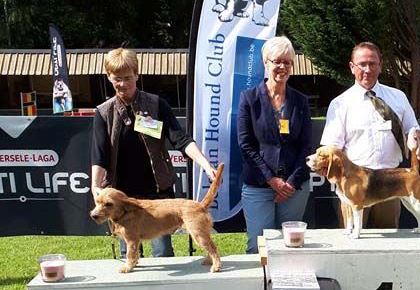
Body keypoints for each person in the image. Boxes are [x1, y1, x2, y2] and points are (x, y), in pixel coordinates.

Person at [91, 48, 218, 258]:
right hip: (121, 200)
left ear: (137, 75)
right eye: (117, 79)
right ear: (109, 77)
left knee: (163, 252)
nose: (122, 84)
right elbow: (99, 154)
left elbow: (181, 140)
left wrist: (205, 165)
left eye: (128, 78)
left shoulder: (157, 105)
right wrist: (95, 186)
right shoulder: (103, 112)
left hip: (157, 194)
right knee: (129, 255)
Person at [320, 41, 420, 228]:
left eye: (372, 64)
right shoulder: (340, 104)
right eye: (362, 64)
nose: (367, 69)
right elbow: (331, 149)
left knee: (387, 246)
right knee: (351, 244)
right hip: (354, 183)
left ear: (380, 65)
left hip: (389, 181)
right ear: (352, 67)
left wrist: (414, 136)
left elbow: (412, 128)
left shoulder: (398, 97)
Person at [237, 36, 313, 254]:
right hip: (258, 186)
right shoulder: (249, 99)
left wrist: (289, 183)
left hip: (294, 188)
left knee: (290, 247)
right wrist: (271, 179)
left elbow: (306, 145)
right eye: (277, 61)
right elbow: (245, 144)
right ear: (265, 63)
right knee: (258, 247)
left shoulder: (300, 101)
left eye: (287, 62)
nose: (282, 66)